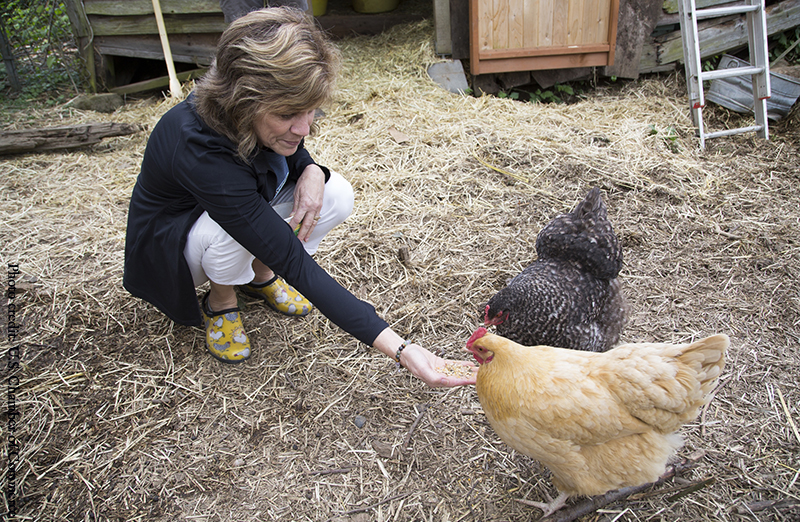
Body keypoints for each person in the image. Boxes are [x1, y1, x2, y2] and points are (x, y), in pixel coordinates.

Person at [123, 7, 476, 388]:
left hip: (230, 210)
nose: (304, 127)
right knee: (228, 232)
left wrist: (310, 168)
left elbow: (285, 147)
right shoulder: (197, 147)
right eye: (291, 113)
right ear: (244, 100)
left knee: (334, 191)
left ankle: (259, 277)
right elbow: (293, 260)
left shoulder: (259, 114)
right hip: (175, 247)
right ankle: (221, 301)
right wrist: (403, 349)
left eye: (311, 110)